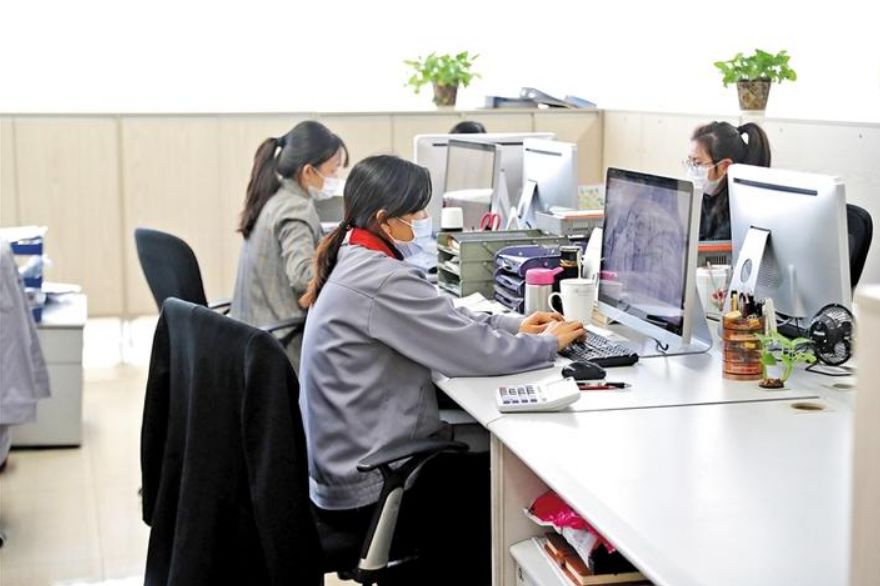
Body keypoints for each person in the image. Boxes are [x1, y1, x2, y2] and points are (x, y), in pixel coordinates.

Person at [298, 154, 584, 585]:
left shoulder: (355, 255)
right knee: (509, 485)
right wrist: (546, 345)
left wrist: (516, 325)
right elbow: (475, 352)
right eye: (416, 213)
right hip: (375, 487)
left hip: (346, 472)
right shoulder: (380, 278)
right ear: (385, 219)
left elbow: (443, 316)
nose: (424, 221)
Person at [231, 121, 348, 374]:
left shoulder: (273, 197)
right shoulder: (296, 208)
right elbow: (303, 277)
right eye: (332, 170)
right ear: (308, 172)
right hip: (281, 346)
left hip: (250, 338)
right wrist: (348, 268)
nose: (335, 179)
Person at [686, 121, 771, 241]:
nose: (691, 169)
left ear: (725, 166)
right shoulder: (705, 198)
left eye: (697, 163)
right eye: (690, 162)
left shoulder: (737, 213)